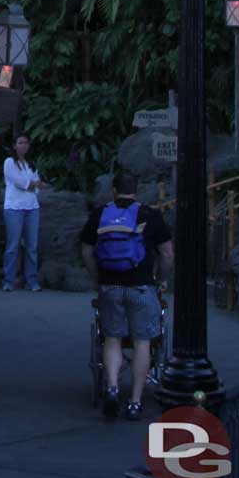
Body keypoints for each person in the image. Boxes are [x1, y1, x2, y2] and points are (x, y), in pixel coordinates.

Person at [81, 168, 174, 422]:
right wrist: (161, 280)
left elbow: (87, 252)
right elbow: (167, 254)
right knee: (142, 341)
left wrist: (97, 279)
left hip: (110, 286)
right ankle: (134, 401)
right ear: (137, 191)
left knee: (112, 338)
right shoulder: (150, 215)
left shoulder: (100, 214)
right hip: (142, 286)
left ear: (114, 190)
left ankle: (111, 387)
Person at [3, 132, 43, 293]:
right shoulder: (9, 162)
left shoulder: (30, 163)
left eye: (26, 143)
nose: (23, 145)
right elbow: (18, 182)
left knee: (32, 246)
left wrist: (33, 185)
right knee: (13, 246)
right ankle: (8, 281)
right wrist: (32, 184)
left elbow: (38, 184)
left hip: (32, 207)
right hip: (14, 208)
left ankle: (32, 281)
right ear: (14, 145)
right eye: (20, 142)